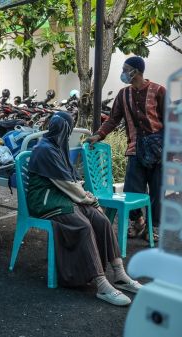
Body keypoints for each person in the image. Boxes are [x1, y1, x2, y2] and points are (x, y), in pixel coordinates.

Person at [28, 112, 142, 306]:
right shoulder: (45, 149)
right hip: (45, 202)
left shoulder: (56, 147)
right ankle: (101, 283)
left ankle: (120, 274)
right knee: (83, 225)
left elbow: (71, 181)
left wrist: (86, 196)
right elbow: (65, 183)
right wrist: (86, 198)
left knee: (101, 220)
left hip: (63, 197)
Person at [86, 56, 166, 242]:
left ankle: (154, 227)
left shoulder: (159, 91)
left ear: (136, 71)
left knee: (157, 192)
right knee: (132, 189)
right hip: (135, 150)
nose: (122, 72)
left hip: (158, 151)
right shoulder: (123, 94)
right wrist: (99, 135)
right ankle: (137, 222)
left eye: (125, 69)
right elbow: (113, 119)